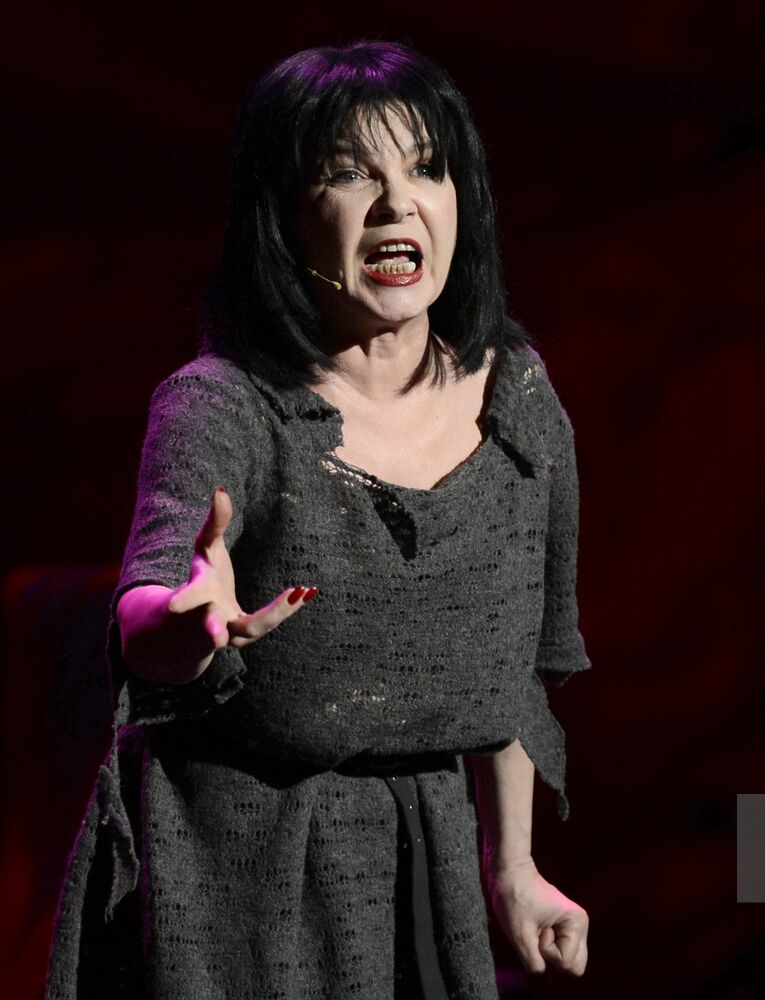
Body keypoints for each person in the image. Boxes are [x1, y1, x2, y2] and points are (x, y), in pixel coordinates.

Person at [44, 40, 592, 999]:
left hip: (425, 867)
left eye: (427, 167)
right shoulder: (221, 404)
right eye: (349, 175)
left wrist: (512, 872)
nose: (397, 203)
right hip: (238, 871)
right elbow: (148, 611)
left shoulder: (519, 399)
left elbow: (508, 669)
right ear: (284, 216)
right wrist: (186, 626)